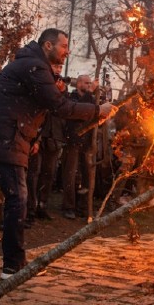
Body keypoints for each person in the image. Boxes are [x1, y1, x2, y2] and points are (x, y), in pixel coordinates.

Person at [0, 29, 117, 283]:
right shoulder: (35, 67)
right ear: (48, 45)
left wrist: (54, 92)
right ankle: (14, 266)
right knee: (18, 199)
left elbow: (37, 102)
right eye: (64, 45)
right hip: (4, 140)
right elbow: (59, 107)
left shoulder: (30, 65)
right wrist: (97, 110)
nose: (67, 50)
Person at [26, 63, 68, 223]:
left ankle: (42, 206)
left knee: (49, 174)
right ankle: (30, 208)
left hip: (55, 137)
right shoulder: (41, 84)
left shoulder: (62, 90)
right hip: (38, 137)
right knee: (33, 174)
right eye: (55, 67)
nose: (57, 70)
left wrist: (62, 92)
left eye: (59, 67)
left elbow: (65, 108)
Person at [61, 74, 97, 220]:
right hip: (73, 140)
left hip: (87, 143)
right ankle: (69, 206)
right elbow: (79, 110)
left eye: (90, 83)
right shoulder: (71, 98)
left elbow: (94, 113)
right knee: (70, 175)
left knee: (86, 176)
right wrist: (89, 94)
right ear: (79, 83)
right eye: (86, 83)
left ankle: (83, 206)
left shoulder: (91, 99)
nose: (89, 85)